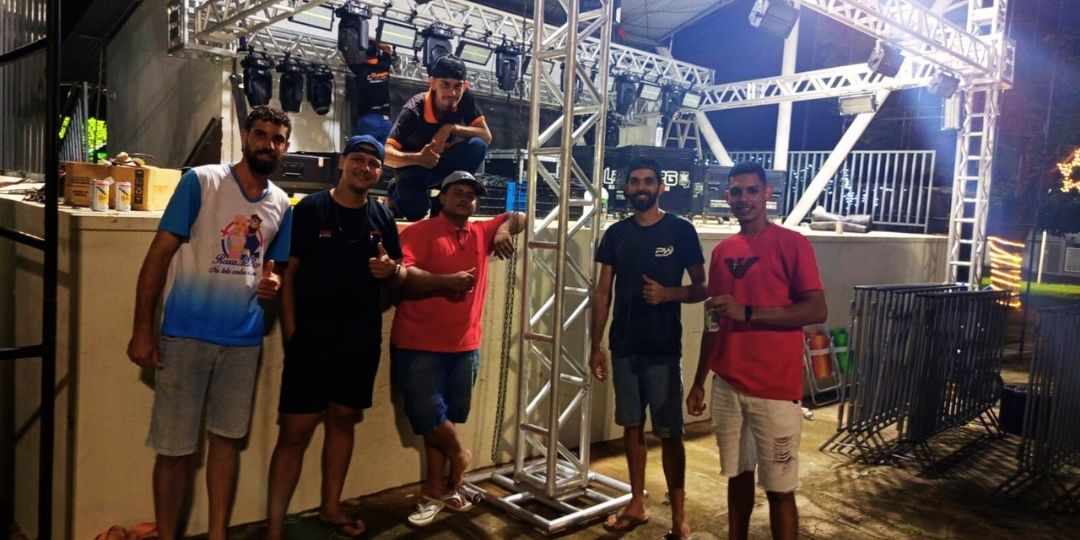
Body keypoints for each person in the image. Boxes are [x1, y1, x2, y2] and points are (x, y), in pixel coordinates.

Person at [126, 105, 294, 540]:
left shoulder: (280, 203)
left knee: (225, 442)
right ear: (246, 136)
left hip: (243, 342)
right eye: (261, 135)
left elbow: (274, 267)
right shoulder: (201, 181)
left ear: (286, 147)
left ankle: (217, 533)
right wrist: (142, 329)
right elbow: (158, 257)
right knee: (174, 450)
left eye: (277, 139)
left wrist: (273, 282)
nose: (269, 145)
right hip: (185, 335)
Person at [266, 135, 405, 539]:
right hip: (311, 339)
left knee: (344, 420)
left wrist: (390, 272)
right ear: (342, 162)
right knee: (295, 432)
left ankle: (330, 508)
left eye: (374, 164)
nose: (365, 168)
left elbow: (396, 275)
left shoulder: (382, 217)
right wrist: (292, 332)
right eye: (358, 159)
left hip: (359, 340)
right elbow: (288, 274)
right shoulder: (310, 209)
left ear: (380, 172)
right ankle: (274, 528)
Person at [685, 162, 827, 540]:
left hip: (775, 389)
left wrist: (748, 312)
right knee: (737, 476)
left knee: (780, 489)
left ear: (767, 194)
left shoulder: (792, 244)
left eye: (751, 190)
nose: (743, 198)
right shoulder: (723, 252)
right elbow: (713, 321)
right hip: (728, 386)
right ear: (727, 197)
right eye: (736, 191)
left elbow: (816, 309)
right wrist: (699, 380)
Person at [390, 171, 523, 523]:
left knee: (444, 417)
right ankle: (460, 456)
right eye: (458, 192)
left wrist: (504, 229)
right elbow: (403, 277)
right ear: (442, 197)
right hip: (419, 343)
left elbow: (519, 215)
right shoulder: (420, 231)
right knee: (428, 415)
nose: (465, 199)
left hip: (465, 345)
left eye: (471, 195)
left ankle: (437, 490)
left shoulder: (481, 232)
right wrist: (446, 282)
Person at [589, 158, 706, 539]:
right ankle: (636, 503)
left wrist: (669, 294)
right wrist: (595, 345)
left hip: (663, 350)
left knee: (670, 433)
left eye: (648, 181)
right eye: (635, 181)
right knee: (632, 426)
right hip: (623, 348)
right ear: (625, 188)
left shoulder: (681, 231)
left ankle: (678, 518)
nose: (641, 187)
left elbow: (703, 288)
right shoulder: (616, 234)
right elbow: (602, 293)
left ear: (660, 187)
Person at [385, 55, 492, 221]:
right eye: (445, 85)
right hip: (413, 169)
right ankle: (395, 191)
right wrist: (419, 158)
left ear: (464, 86)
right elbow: (386, 155)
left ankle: (442, 202)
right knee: (416, 213)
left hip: (441, 164)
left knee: (477, 145)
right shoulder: (414, 109)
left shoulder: (465, 98)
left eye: (457, 86)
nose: (452, 93)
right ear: (432, 83)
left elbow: (486, 136)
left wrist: (450, 128)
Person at [346, 39, 394, 143]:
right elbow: (387, 48)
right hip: (386, 121)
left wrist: (361, 38)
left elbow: (346, 54)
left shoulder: (360, 68)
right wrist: (371, 39)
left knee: (366, 150)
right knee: (384, 153)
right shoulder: (384, 64)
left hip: (368, 120)